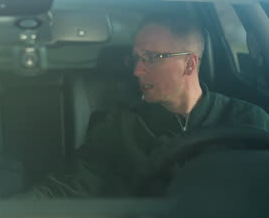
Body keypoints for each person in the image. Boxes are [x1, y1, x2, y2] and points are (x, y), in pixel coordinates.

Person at [24, 15, 269, 198]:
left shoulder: (248, 121)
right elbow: (66, 188)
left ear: (189, 65)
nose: (137, 71)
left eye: (151, 58)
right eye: (136, 58)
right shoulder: (119, 126)